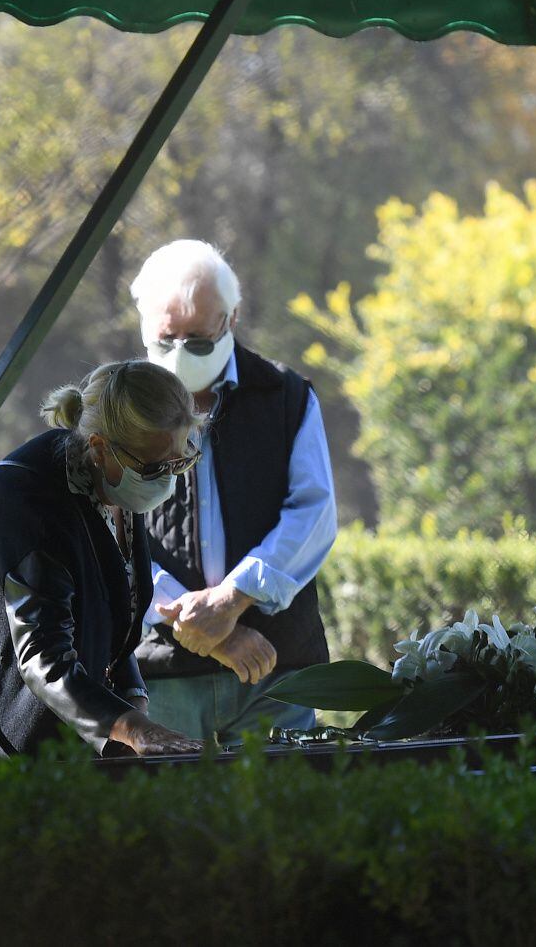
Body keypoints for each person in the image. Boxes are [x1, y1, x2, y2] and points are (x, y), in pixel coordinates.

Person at [0, 362, 212, 769]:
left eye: (180, 463)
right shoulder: (25, 502)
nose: (168, 480)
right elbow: (44, 655)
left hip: (47, 747)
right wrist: (131, 727)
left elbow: (112, 620)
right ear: (98, 448)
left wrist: (133, 701)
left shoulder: (118, 481)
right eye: (156, 468)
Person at [129, 240, 338, 743]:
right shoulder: (119, 408)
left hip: (275, 672)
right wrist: (204, 625)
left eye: (198, 339)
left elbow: (313, 514)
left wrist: (234, 598)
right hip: (159, 678)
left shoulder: (285, 396)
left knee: (276, 816)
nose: (180, 351)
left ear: (232, 319)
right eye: (166, 338)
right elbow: (105, 533)